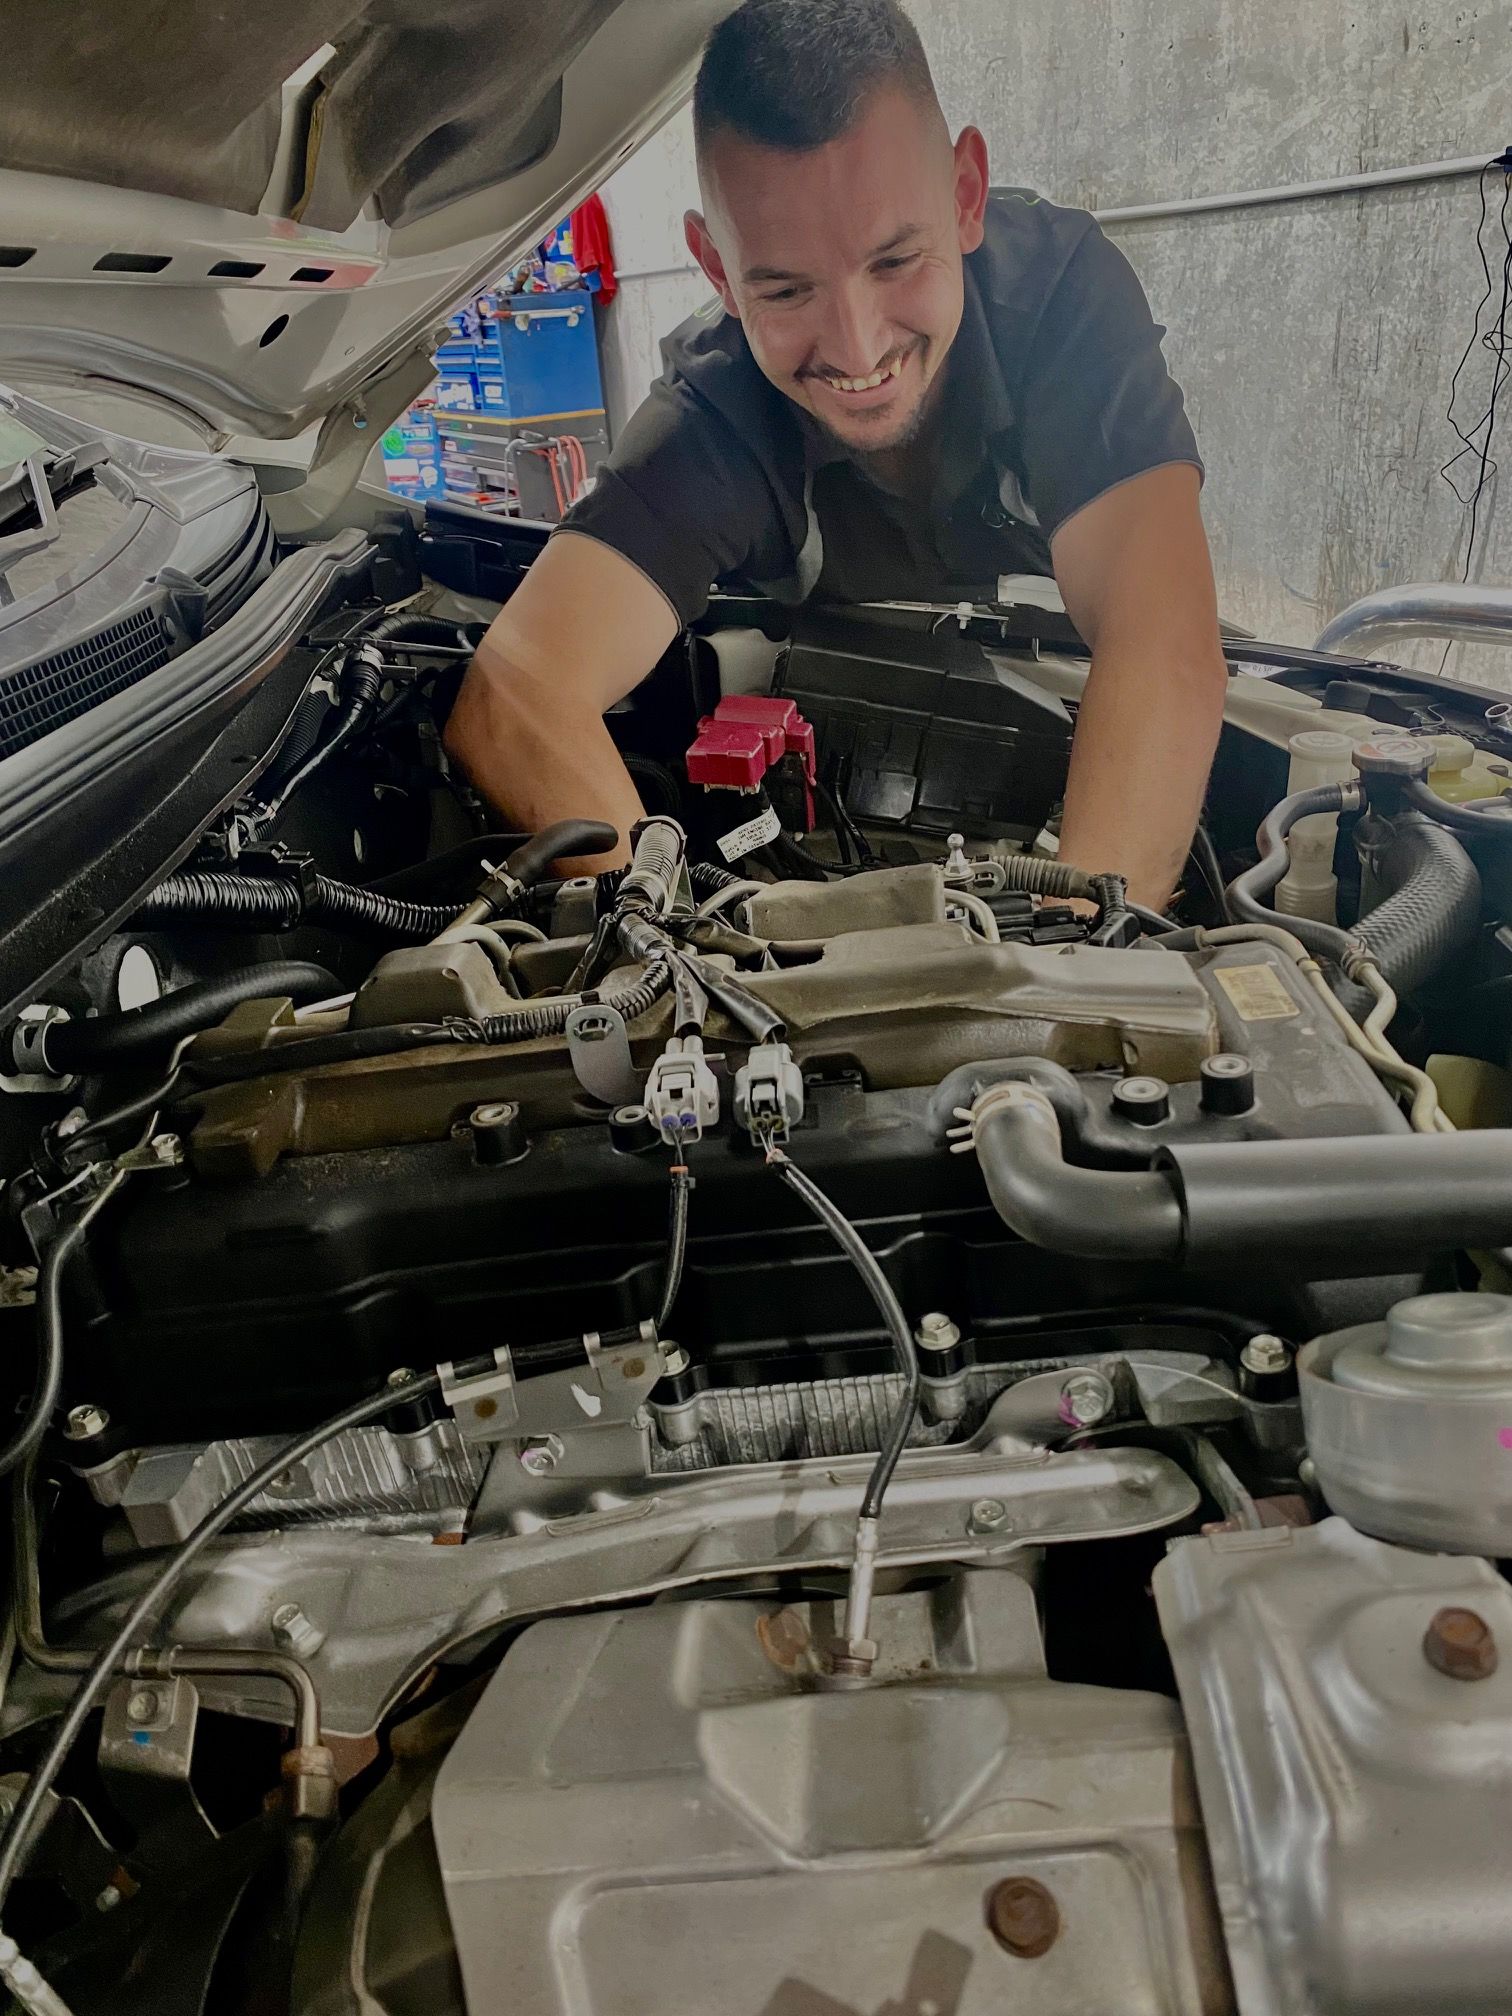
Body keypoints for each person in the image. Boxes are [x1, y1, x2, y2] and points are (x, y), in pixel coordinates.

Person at [446, 0, 1227, 907]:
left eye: (895, 262)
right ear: (715, 267)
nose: (857, 348)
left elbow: (1160, 643)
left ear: (966, 195)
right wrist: (670, 939)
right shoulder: (715, 412)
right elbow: (517, 690)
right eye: (785, 290)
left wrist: (1074, 950)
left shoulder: (1060, 306)